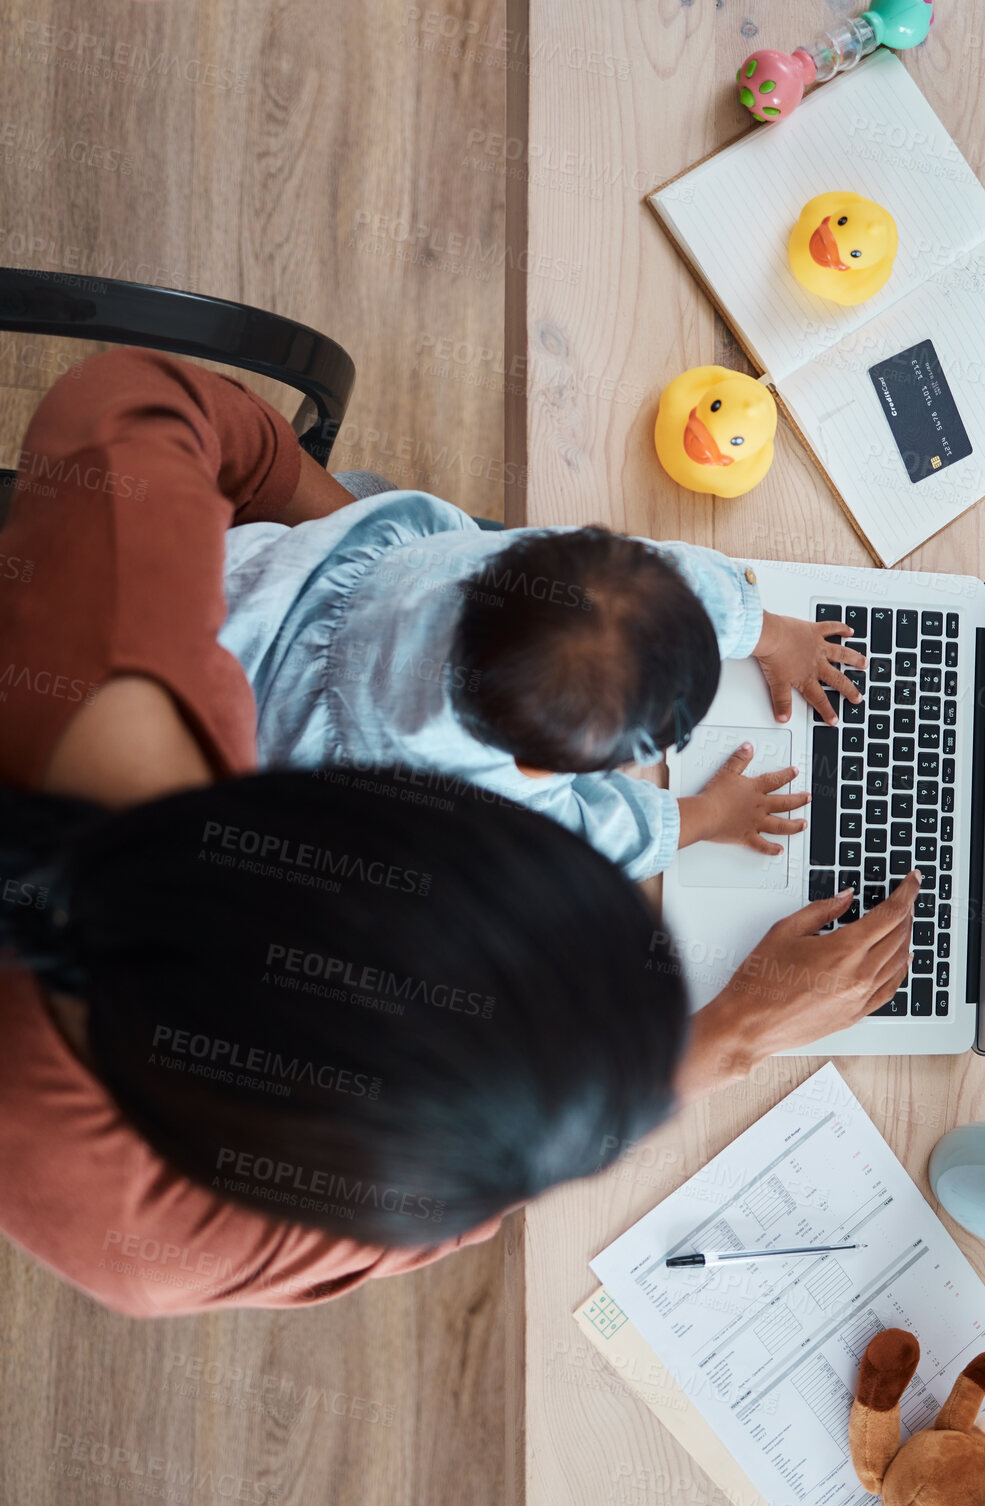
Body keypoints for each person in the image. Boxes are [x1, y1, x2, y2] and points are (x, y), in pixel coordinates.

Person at [0, 348, 918, 1318]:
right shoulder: (157, 1235)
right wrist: (731, 1036)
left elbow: (139, 402)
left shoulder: (115, 641)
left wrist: (339, 533)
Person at [219, 484, 865, 879]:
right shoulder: (487, 798)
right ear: (537, 767)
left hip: (253, 586)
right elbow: (588, 842)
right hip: (251, 737)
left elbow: (659, 581)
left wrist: (773, 633)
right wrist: (707, 814)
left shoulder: (541, 570)